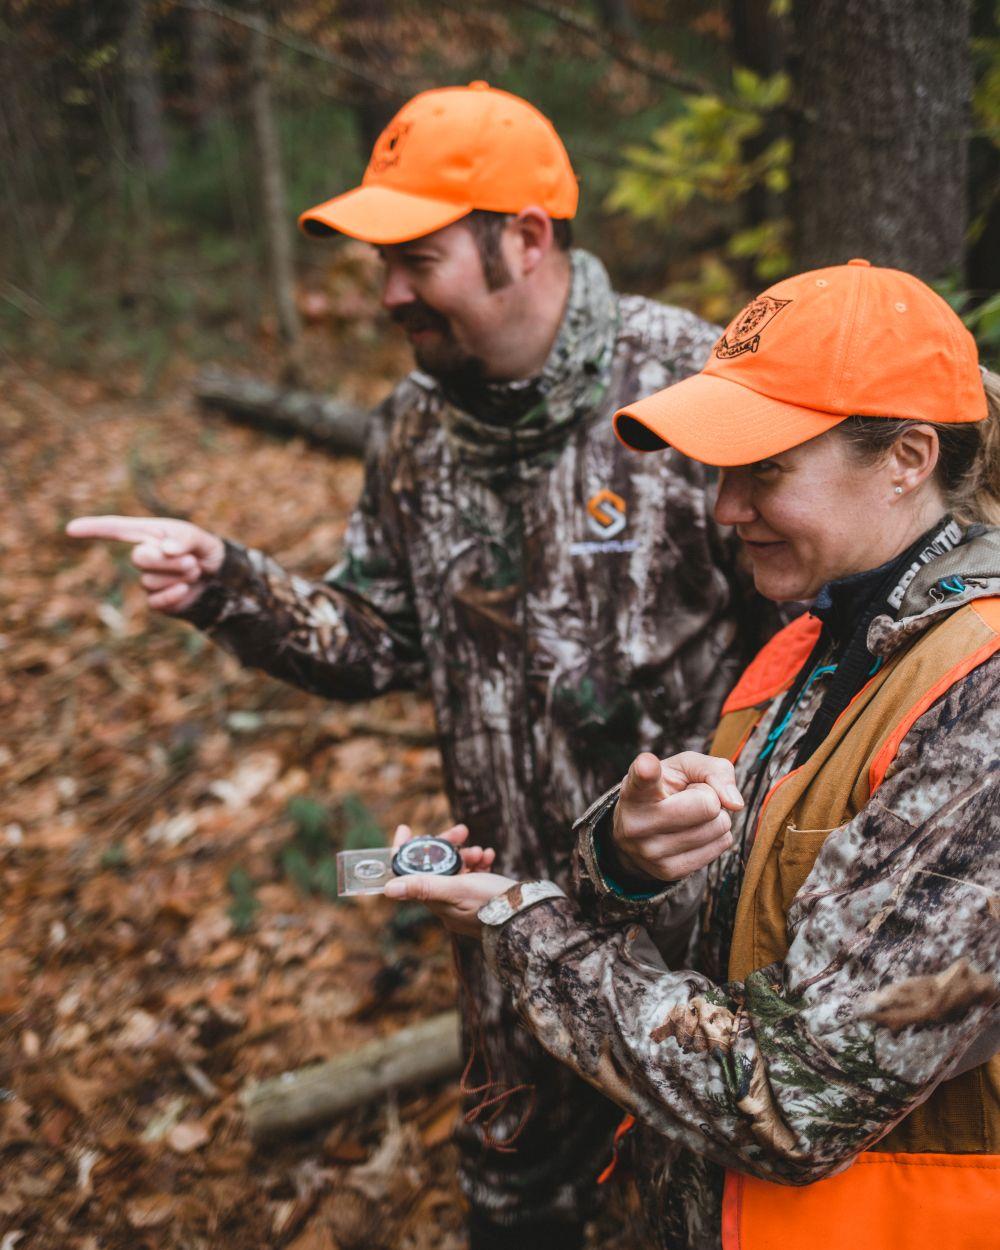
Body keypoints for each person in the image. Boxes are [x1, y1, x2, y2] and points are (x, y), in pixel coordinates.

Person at [67, 84, 778, 1250]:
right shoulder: (410, 426)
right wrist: (226, 583)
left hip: (695, 952)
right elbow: (373, 640)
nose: (388, 290)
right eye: (380, 261)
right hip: (501, 931)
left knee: (695, 1214)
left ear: (527, 238)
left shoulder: (691, 391)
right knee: (515, 1211)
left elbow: (802, 649)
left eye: (418, 256)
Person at [385, 259, 1000, 1249]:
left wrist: (526, 926)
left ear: (906, 456)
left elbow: (793, 1098)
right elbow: (743, 935)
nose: (722, 510)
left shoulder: (982, 698)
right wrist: (620, 858)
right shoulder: (812, 645)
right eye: (720, 472)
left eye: (763, 470)